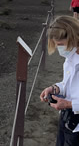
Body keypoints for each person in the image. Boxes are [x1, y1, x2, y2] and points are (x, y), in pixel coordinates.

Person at [41, 16, 79, 145]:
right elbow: (68, 85)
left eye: (61, 45)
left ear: (74, 38)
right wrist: (55, 88)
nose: (59, 49)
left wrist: (69, 104)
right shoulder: (71, 57)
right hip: (67, 119)